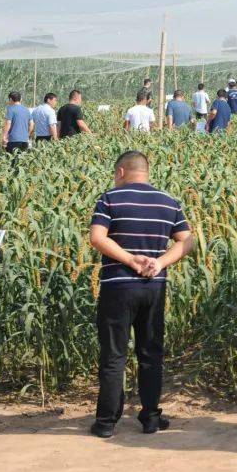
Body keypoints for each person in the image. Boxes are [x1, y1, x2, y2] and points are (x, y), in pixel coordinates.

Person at [89, 151, 194, 438]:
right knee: (150, 353)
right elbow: (188, 240)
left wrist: (130, 260)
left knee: (114, 355)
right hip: (154, 288)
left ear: (121, 172)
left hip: (117, 287)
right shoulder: (169, 201)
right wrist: (158, 262)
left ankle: (107, 422)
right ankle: (150, 417)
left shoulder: (109, 198)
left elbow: (97, 237)